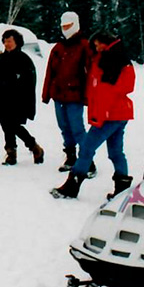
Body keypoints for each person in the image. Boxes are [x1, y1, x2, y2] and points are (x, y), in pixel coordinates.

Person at [52, 33, 135, 199]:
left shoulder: (109, 60)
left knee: (87, 148)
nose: (96, 48)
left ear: (105, 43)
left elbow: (105, 91)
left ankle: (72, 185)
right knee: (116, 152)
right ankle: (122, 189)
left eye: (98, 45)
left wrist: (99, 115)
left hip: (109, 115)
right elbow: (122, 88)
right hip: (120, 113)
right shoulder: (119, 58)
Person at [42, 12, 97, 176]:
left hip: (75, 96)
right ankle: (71, 157)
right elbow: (50, 72)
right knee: (64, 128)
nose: (65, 29)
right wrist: (46, 94)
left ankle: (88, 161)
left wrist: (90, 95)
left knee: (77, 128)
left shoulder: (84, 47)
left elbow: (91, 72)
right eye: (63, 26)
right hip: (58, 95)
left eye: (68, 26)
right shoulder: (58, 48)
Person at [0, 29, 44, 166]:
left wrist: (26, 101)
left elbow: (29, 83)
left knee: (13, 125)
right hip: (1, 99)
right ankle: (12, 152)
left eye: (10, 41)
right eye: (5, 41)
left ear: (17, 42)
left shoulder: (24, 60)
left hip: (18, 100)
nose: (7, 44)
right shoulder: (0, 59)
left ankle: (33, 147)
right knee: (7, 125)